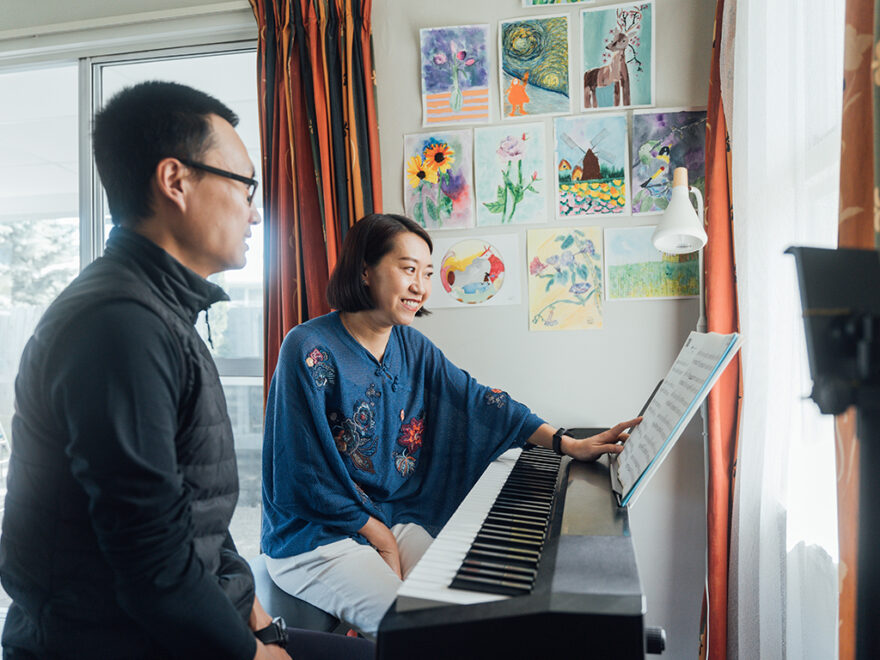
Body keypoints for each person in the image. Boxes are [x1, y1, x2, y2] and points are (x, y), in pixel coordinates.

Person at [0, 81, 373, 660]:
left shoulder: (158, 309)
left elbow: (195, 508)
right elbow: (149, 557)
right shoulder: (119, 325)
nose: (255, 212)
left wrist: (259, 620)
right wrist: (251, 654)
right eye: (246, 186)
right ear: (175, 181)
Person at [261, 213, 639, 636]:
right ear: (364, 270)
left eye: (426, 272)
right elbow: (299, 474)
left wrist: (566, 443)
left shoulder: (412, 346)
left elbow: (480, 401)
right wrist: (382, 540)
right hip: (316, 538)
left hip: (388, 515)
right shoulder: (309, 348)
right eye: (408, 270)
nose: (421, 286)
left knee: (468, 611)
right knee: (422, 632)